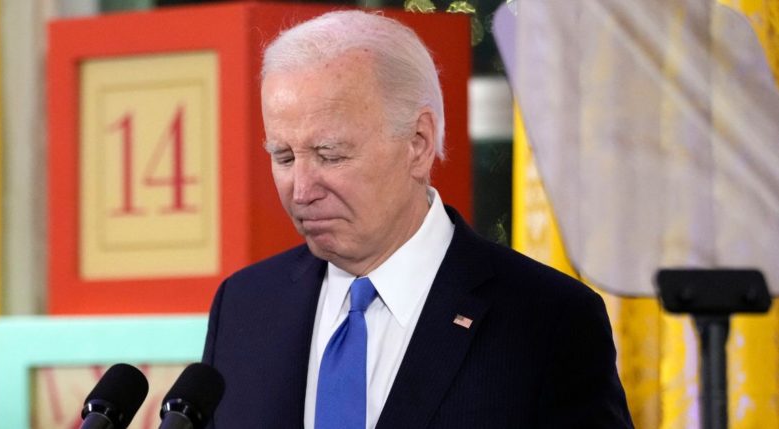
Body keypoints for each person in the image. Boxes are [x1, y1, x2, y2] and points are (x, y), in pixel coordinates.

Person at [202, 9, 633, 429]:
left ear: (419, 143)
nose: (301, 190)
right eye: (284, 157)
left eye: (329, 155)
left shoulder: (546, 319)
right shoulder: (245, 307)